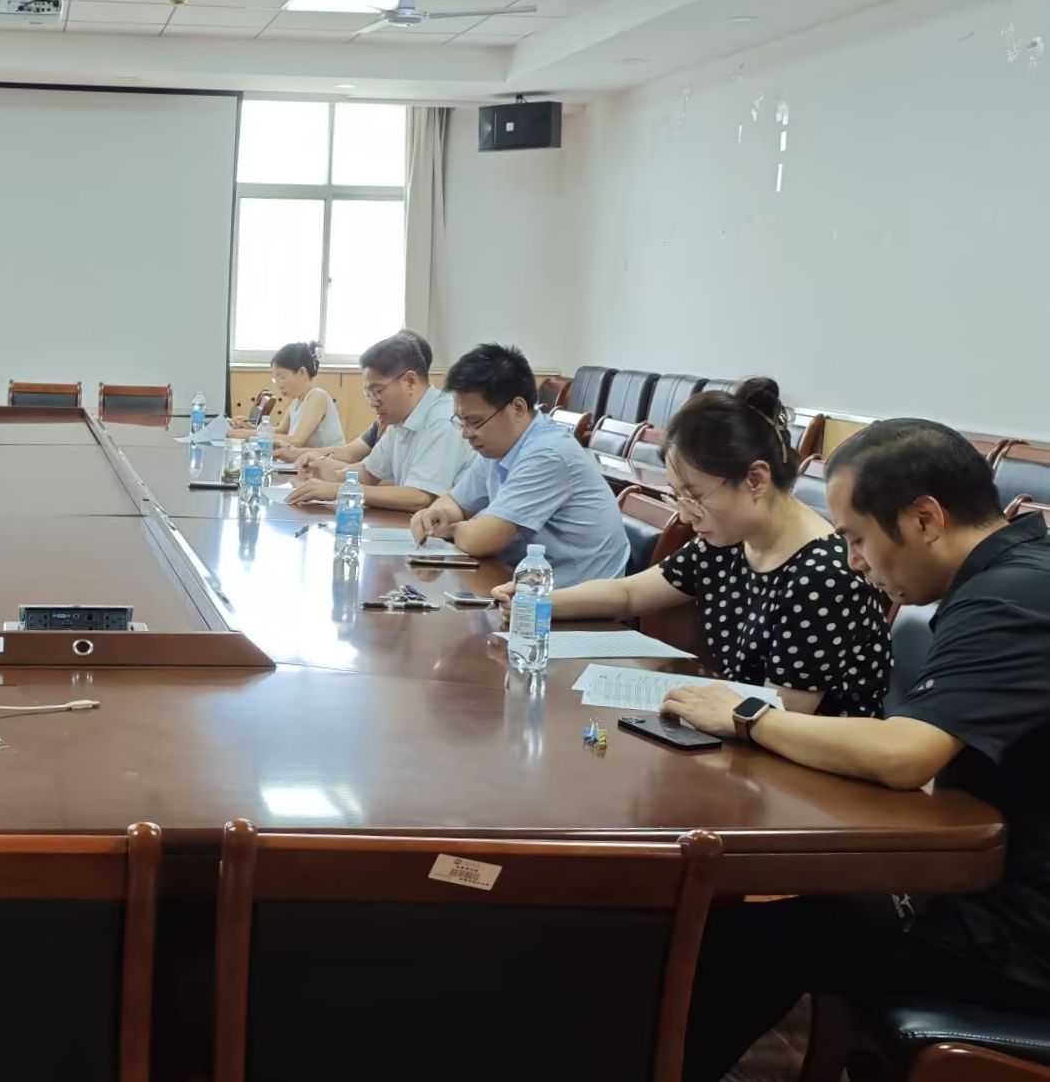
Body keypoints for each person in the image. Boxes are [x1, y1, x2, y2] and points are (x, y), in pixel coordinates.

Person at [662, 419, 1050, 1081]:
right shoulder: (1011, 573)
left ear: (925, 518)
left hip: (1027, 931)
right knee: (757, 928)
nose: (853, 562)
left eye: (856, 538)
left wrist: (749, 716)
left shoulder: (1011, 596)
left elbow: (905, 753)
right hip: (995, 882)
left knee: (751, 948)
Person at [490, 378, 891, 716]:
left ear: (755, 480)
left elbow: (782, 714)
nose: (684, 515)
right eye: (678, 497)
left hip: (808, 771)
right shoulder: (727, 542)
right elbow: (629, 594)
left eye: (694, 497)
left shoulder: (824, 576)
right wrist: (538, 601)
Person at [409, 343, 628, 588]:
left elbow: (482, 540)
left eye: (475, 422)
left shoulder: (547, 454)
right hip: (526, 584)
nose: (466, 433)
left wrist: (451, 530)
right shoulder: (498, 447)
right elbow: (455, 502)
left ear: (518, 408)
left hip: (576, 598)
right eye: (461, 421)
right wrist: (437, 514)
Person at [285, 332, 472, 511]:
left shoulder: (443, 418)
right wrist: (327, 472)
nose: (373, 402)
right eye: (368, 393)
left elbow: (420, 497)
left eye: (377, 391)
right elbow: (369, 473)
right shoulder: (399, 419)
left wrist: (339, 490)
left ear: (409, 381)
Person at [279, 330, 430, 471]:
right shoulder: (384, 422)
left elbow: (388, 482)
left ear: (411, 378)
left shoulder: (429, 425)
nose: (373, 402)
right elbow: (349, 454)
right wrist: (300, 454)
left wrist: (332, 474)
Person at [229, 341, 345, 450]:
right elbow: (281, 431)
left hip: (329, 462)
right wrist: (249, 427)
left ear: (301, 372)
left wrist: (250, 434)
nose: (278, 385)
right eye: (275, 379)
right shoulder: (296, 402)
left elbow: (297, 441)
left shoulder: (317, 397)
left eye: (281, 377)